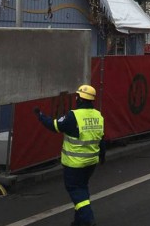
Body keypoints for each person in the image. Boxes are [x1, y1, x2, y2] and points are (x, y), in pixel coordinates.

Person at [35, 85, 105, 226]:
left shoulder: (74, 116)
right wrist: (102, 157)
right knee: (82, 188)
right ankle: (79, 221)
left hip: (75, 163)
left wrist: (40, 116)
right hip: (91, 162)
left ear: (79, 98)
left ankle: (87, 218)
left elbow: (54, 125)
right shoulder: (98, 115)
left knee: (75, 189)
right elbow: (101, 139)